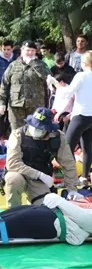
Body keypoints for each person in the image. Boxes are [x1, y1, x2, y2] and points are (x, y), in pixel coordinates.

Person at [4, 107, 83, 208]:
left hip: (40, 181)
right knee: (13, 180)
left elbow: (68, 163)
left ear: (48, 128)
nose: (36, 130)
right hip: (20, 173)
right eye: (34, 126)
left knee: (46, 209)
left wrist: (72, 189)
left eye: (40, 128)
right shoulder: (18, 134)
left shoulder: (57, 137)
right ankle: (13, 213)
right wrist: (39, 175)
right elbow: (12, 163)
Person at [55, 51, 92, 185]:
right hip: (89, 116)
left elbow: (68, 92)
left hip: (81, 115)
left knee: (67, 148)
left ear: (84, 63)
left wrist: (55, 83)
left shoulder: (81, 76)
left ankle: (69, 179)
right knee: (88, 148)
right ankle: (84, 177)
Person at [0, 41, 50, 131]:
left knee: (36, 132)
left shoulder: (41, 65)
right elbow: (4, 85)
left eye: (33, 51)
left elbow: (48, 78)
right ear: (22, 50)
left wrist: (33, 64)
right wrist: (2, 103)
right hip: (16, 106)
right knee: (17, 133)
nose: (30, 53)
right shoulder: (13, 65)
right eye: (28, 50)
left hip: (36, 106)